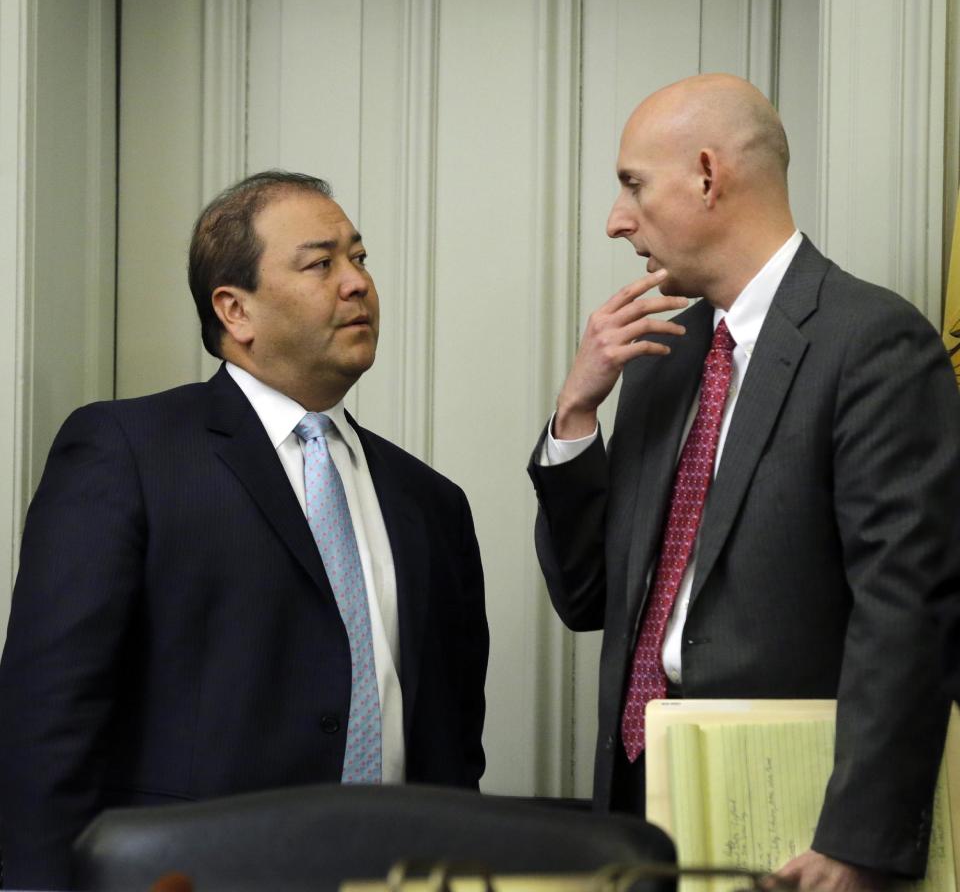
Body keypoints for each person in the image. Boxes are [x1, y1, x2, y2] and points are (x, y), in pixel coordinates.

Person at [528, 74, 960, 892]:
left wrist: (858, 840)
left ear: (706, 173)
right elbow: (590, 598)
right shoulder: (662, 357)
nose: (617, 221)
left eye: (631, 185)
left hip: (797, 818)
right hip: (635, 800)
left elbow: (906, 609)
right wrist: (576, 412)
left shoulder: (872, 344)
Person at [0, 171, 489, 889]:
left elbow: (451, 755)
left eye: (359, 257)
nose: (356, 283)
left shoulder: (432, 504)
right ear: (235, 310)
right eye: (320, 263)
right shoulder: (127, 452)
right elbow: (47, 715)